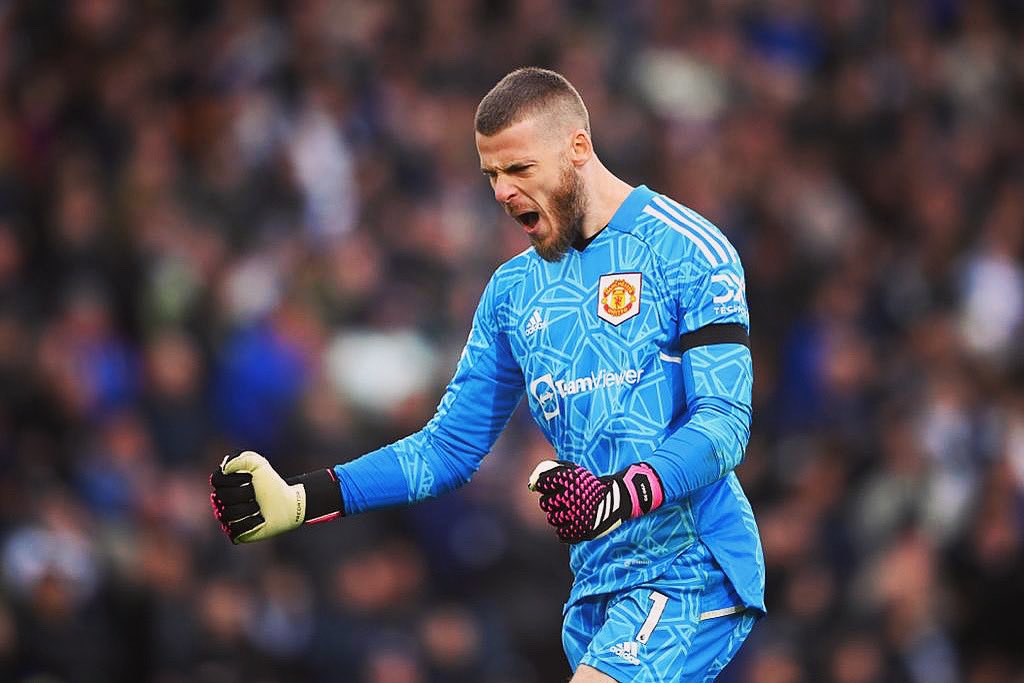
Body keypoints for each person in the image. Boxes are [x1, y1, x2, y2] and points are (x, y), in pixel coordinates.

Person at [210, 67, 764, 682]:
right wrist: (302, 499)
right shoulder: (513, 292)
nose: (502, 192)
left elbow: (723, 424)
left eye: (519, 169)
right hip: (596, 586)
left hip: (690, 565)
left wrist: (618, 494)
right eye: (491, 175)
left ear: (578, 147)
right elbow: (447, 449)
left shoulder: (687, 249)